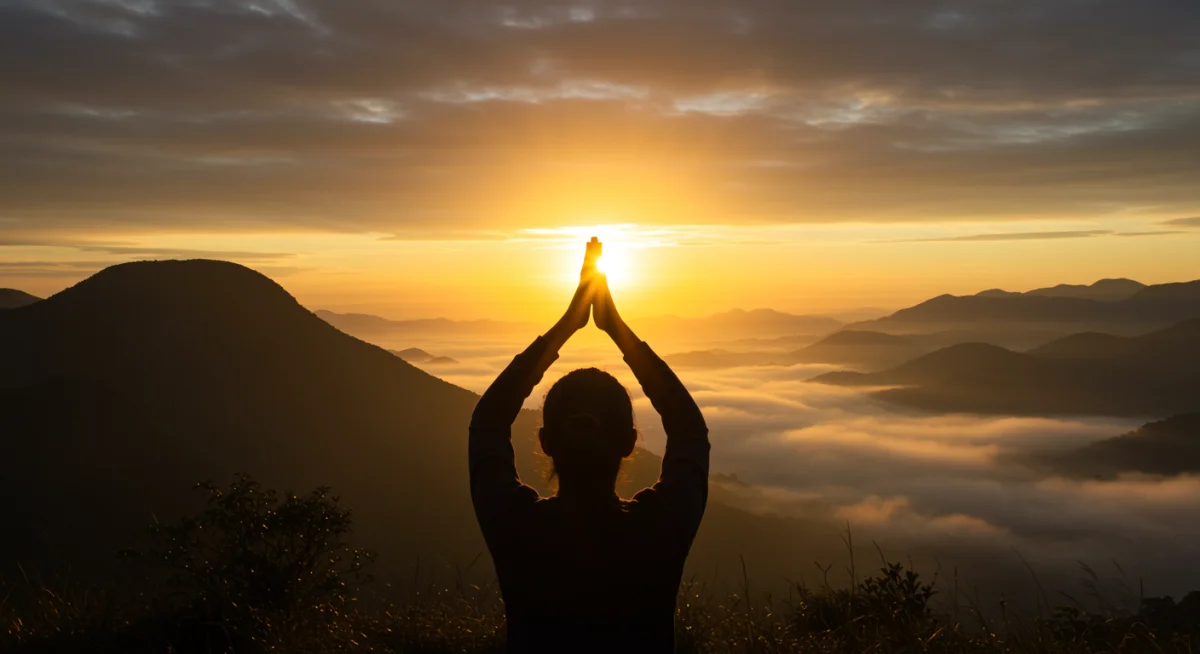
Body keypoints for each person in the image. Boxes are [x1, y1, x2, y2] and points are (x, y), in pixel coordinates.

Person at [469, 237, 710, 653]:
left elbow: (488, 424)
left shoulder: (517, 528)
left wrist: (567, 325)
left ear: (545, 443)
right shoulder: (659, 529)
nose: (585, 420)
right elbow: (689, 430)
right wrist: (616, 330)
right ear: (629, 442)